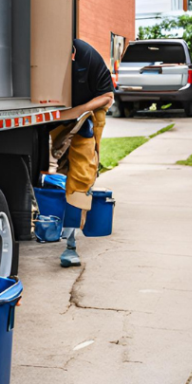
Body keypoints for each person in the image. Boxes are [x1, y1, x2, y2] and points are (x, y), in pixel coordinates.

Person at [50, 39, 114, 268]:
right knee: (46, 173)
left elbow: (107, 95)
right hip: (46, 118)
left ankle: (70, 243)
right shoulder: (38, 57)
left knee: (82, 174)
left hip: (80, 118)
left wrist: (74, 112)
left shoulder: (88, 56)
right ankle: (46, 222)